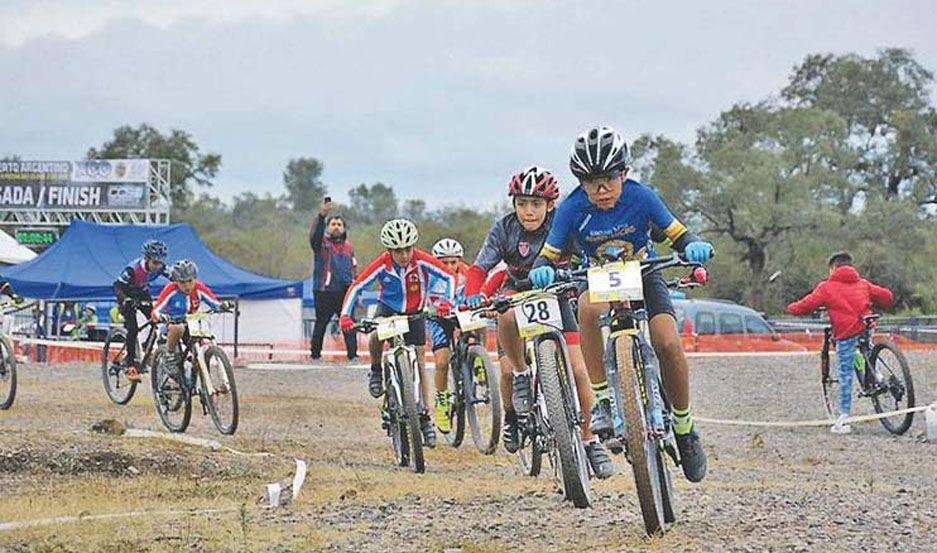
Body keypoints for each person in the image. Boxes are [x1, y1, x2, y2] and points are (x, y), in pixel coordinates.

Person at [529, 126, 714, 483]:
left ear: (624, 174)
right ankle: (601, 400)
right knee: (586, 308)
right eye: (591, 182)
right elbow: (548, 255)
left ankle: (684, 426)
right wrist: (541, 270)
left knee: (667, 341)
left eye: (609, 180)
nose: (601, 191)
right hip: (597, 277)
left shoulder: (642, 197)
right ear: (580, 183)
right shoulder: (570, 208)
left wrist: (692, 246)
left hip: (643, 270)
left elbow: (679, 234)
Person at [462, 166, 615, 479]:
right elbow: (479, 268)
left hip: (556, 295)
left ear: (550, 205)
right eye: (521, 204)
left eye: (535, 204)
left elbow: (586, 257)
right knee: (504, 327)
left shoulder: (563, 225)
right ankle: (519, 384)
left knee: (577, 369)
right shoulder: (503, 229)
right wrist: (471, 294)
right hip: (516, 292)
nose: (528, 211)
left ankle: (590, 439)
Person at [339, 219, 456, 448]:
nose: (403, 255)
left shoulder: (421, 260)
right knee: (375, 337)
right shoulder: (382, 264)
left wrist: (446, 303)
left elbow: (449, 276)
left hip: (414, 314)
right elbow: (357, 286)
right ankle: (375, 370)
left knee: (420, 362)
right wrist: (346, 315)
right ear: (389, 250)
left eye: (407, 249)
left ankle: (424, 416)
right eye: (397, 251)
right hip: (389, 310)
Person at [787, 251, 893, 434]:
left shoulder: (826, 287)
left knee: (845, 373)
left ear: (833, 268)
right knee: (867, 350)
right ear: (851, 266)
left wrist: (791, 308)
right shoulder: (863, 283)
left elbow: (806, 305)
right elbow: (887, 297)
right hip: (866, 325)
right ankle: (879, 377)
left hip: (845, 332)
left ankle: (843, 419)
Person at [151, 260, 230, 376]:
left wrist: (223, 306)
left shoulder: (199, 288)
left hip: (191, 324)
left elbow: (214, 302)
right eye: (182, 282)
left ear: (195, 279)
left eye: (190, 281)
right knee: (178, 328)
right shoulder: (171, 290)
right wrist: (162, 317)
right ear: (176, 282)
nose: (187, 285)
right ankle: (170, 356)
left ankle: (197, 377)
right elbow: (156, 310)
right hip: (172, 326)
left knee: (200, 350)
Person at [309, 198, 359, 362]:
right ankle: (315, 356)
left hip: (345, 291)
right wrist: (322, 216)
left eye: (339, 224)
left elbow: (354, 269)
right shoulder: (321, 244)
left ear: (344, 228)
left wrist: (357, 291)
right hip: (324, 291)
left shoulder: (349, 247)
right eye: (333, 224)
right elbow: (314, 236)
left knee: (349, 324)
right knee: (321, 324)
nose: (336, 227)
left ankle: (353, 356)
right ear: (327, 228)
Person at [113, 239, 169, 382]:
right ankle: (130, 364)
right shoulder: (133, 269)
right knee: (132, 329)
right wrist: (125, 299)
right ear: (147, 259)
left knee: (156, 319)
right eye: (155, 263)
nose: (158, 266)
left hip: (142, 293)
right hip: (126, 294)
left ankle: (146, 347)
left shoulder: (160, 267)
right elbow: (117, 286)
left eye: (160, 263)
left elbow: (176, 277)